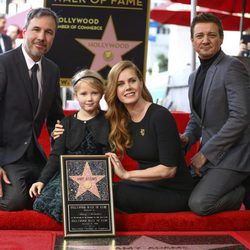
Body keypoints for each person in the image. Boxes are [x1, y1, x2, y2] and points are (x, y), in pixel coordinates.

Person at [180, 13, 250, 216]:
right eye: (199, 35)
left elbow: (241, 117)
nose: (205, 40)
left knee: (200, 204)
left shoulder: (232, 67)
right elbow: (196, 119)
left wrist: (205, 153)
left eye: (211, 35)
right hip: (213, 155)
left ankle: (241, 190)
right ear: (192, 41)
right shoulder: (194, 76)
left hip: (236, 155)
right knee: (180, 196)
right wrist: (186, 137)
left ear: (221, 38)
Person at [104, 60, 194, 213]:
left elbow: (169, 170)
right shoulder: (122, 120)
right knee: (104, 189)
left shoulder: (159, 116)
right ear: (115, 90)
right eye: (120, 84)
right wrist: (60, 131)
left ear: (141, 82)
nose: (128, 87)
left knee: (117, 192)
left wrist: (127, 174)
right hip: (146, 187)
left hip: (174, 192)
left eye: (132, 81)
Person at [0, 8, 64, 211]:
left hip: (35, 156)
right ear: (24, 31)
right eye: (36, 29)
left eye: (49, 32)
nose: (42, 37)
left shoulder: (52, 70)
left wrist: (60, 146)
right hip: (6, 155)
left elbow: (56, 118)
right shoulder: (3, 64)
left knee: (55, 197)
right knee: (15, 201)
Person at [29, 69, 109, 222]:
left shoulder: (108, 120)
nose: (90, 98)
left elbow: (110, 153)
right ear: (76, 96)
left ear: (101, 94)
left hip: (97, 176)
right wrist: (42, 180)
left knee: (89, 200)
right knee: (47, 202)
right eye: (83, 94)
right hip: (68, 173)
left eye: (95, 93)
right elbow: (55, 156)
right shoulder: (66, 123)